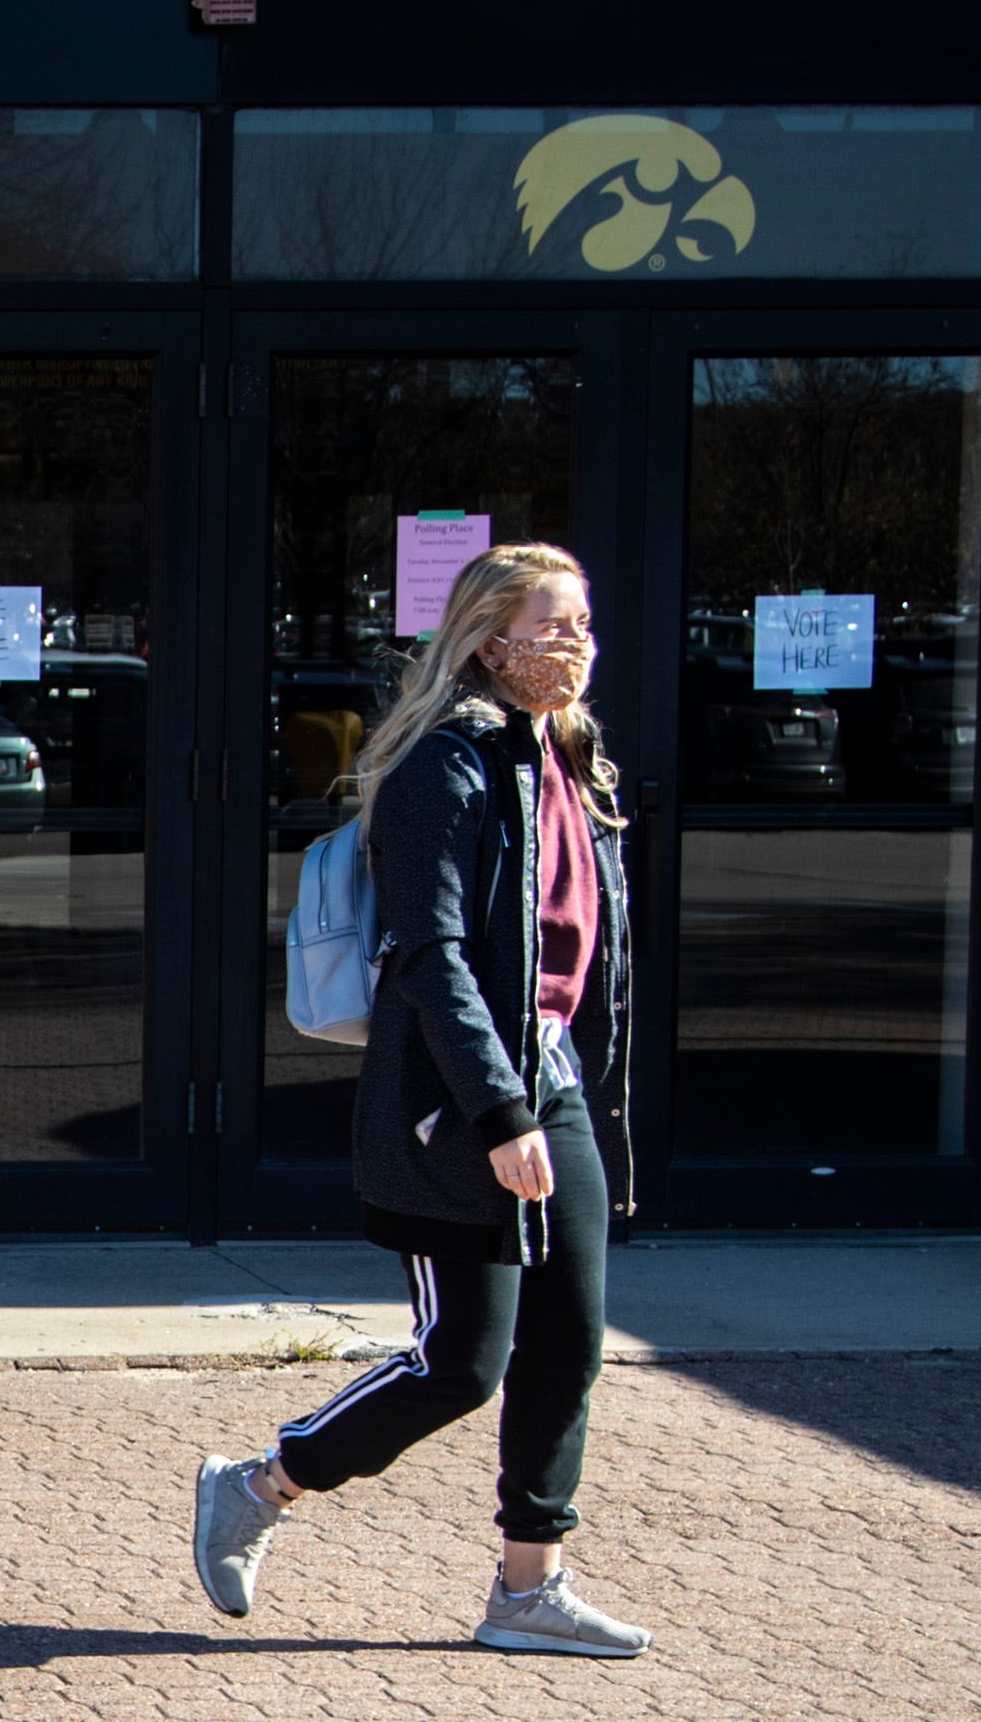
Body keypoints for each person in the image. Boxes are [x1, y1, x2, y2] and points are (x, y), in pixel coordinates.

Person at [192, 541, 651, 1659]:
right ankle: (257, 1486)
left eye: (582, 624)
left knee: (567, 1347)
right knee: (461, 1364)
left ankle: (529, 1589)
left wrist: (559, 1096)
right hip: (459, 1100)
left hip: (552, 1081)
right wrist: (499, 1114)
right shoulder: (446, 768)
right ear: (489, 641)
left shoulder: (570, 763)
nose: (575, 645)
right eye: (551, 627)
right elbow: (431, 960)